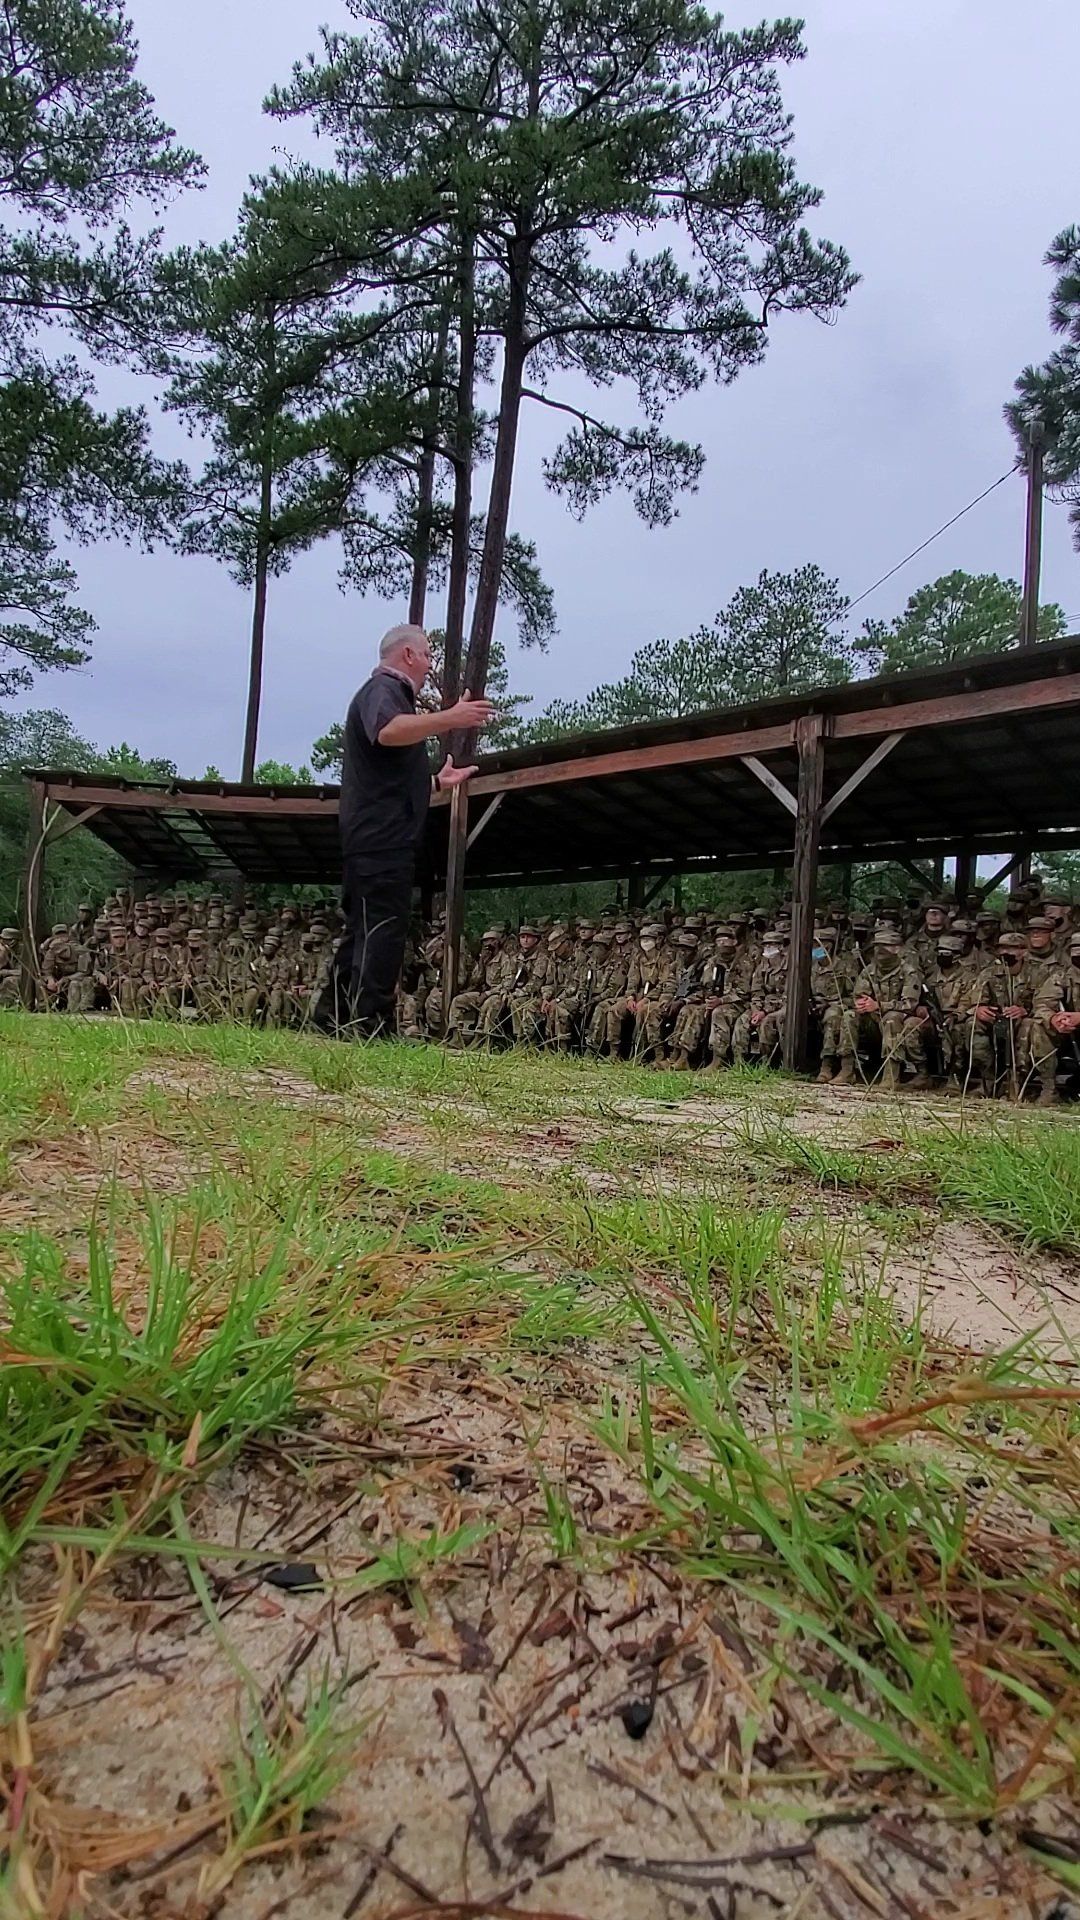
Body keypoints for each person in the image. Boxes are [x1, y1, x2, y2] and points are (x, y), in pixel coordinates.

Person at [335, 623, 493, 1036]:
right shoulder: (383, 691)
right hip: (381, 838)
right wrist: (450, 719)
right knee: (384, 928)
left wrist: (438, 782)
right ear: (407, 655)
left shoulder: (387, 695)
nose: (428, 664)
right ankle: (370, 1026)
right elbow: (387, 731)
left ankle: (332, 1019)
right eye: (426, 655)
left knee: (362, 931)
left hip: (372, 833)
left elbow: (389, 782)